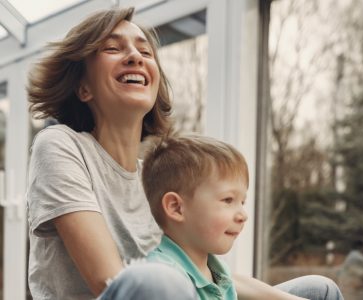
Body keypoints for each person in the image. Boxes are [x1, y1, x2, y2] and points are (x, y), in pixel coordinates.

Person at [26, 6, 344, 300]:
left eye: (145, 50)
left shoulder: (152, 178)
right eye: (113, 48)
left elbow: (199, 273)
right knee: (159, 281)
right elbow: (105, 279)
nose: (135, 56)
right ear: (84, 88)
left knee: (319, 290)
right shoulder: (59, 145)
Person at [142, 135, 249, 299]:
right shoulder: (161, 279)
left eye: (242, 202)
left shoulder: (219, 272)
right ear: (176, 208)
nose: (243, 215)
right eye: (228, 200)